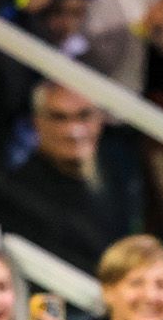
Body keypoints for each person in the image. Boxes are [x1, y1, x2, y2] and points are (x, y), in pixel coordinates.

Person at [13, 81, 143, 277]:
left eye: (84, 115)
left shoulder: (120, 168)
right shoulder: (18, 190)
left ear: (100, 119)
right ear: (37, 122)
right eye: (59, 117)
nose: (73, 130)